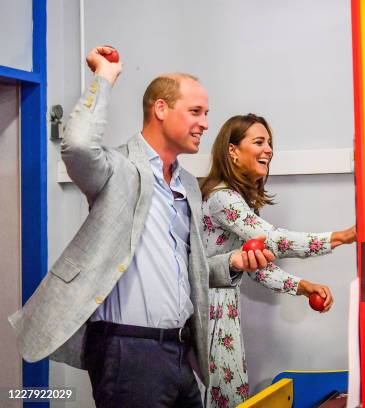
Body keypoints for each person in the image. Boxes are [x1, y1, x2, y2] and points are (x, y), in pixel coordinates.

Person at [8, 46, 274, 408]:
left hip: (181, 352)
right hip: (128, 352)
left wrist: (233, 264)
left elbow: (185, 267)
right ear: (160, 109)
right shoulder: (118, 169)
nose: (206, 123)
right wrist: (104, 76)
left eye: (206, 113)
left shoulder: (188, 186)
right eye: (195, 111)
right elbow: (78, 145)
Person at [200, 113, 356, 407]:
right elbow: (273, 239)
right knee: (227, 400)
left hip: (223, 311)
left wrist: (302, 286)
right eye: (259, 141)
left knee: (231, 397)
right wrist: (341, 237)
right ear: (232, 150)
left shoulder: (238, 201)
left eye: (269, 143)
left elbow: (256, 266)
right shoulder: (223, 199)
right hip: (207, 311)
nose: (268, 149)